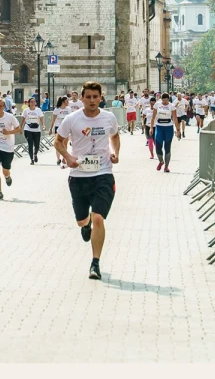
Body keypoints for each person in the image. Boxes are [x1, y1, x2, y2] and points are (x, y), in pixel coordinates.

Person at [54, 82, 120, 281]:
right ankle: (85, 224)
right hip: (79, 176)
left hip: (103, 174)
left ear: (101, 98)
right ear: (81, 99)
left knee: (99, 218)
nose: (92, 100)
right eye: (88, 97)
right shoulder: (72, 119)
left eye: (95, 97)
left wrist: (115, 152)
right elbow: (58, 141)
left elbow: (115, 136)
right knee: (82, 220)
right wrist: (68, 157)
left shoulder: (109, 117)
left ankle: (95, 263)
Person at [152, 92, 176, 172]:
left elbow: (175, 118)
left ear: (168, 99)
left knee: (167, 147)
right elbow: (153, 117)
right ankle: (161, 161)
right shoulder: (157, 105)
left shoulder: (172, 106)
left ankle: (166, 166)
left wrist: (178, 130)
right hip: (159, 127)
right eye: (164, 100)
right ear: (161, 99)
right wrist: (151, 128)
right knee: (158, 146)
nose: (165, 102)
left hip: (169, 127)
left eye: (166, 100)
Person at [21, 98, 43, 165]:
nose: (33, 103)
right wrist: (20, 128)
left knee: (37, 145)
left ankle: (35, 154)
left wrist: (43, 125)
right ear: (29, 103)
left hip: (37, 129)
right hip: (28, 129)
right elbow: (23, 120)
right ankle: (31, 159)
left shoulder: (38, 110)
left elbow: (41, 118)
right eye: (31, 102)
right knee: (30, 144)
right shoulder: (26, 110)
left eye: (34, 102)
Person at [50, 95, 71, 168]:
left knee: (65, 143)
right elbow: (53, 120)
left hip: (66, 127)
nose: (68, 102)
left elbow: (70, 120)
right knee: (58, 142)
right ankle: (58, 158)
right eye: (67, 101)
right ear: (63, 102)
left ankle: (64, 158)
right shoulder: (57, 109)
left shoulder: (68, 109)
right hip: (58, 127)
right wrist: (50, 129)